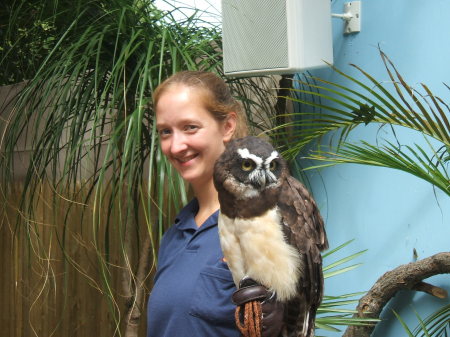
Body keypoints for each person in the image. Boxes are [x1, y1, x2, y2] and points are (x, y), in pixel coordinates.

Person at [146, 71, 283, 337]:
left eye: (190, 127)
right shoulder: (176, 233)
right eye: (165, 131)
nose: (176, 146)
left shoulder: (261, 223)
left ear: (227, 126)